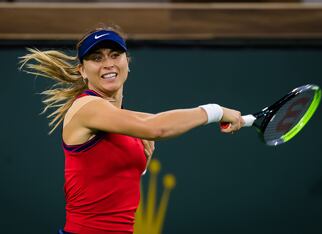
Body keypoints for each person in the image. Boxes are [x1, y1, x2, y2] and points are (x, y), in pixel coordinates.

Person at [20, 24, 244, 234]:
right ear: (82, 70)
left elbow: (152, 125)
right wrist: (215, 111)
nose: (108, 63)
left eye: (115, 55)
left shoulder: (122, 119)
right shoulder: (86, 107)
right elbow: (157, 128)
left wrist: (142, 166)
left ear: (128, 61)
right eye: (96, 58)